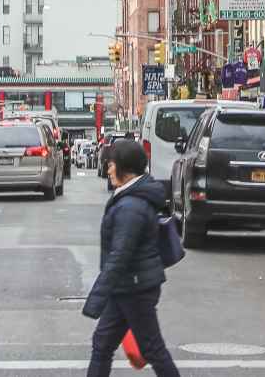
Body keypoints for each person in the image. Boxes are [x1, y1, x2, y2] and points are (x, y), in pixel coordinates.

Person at [83, 140, 181, 377]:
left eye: (111, 164)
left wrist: (96, 298)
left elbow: (120, 255)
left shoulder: (131, 206)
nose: (108, 169)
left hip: (135, 288)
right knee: (102, 344)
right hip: (128, 285)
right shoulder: (132, 196)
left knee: (152, 349)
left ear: (124, 168)